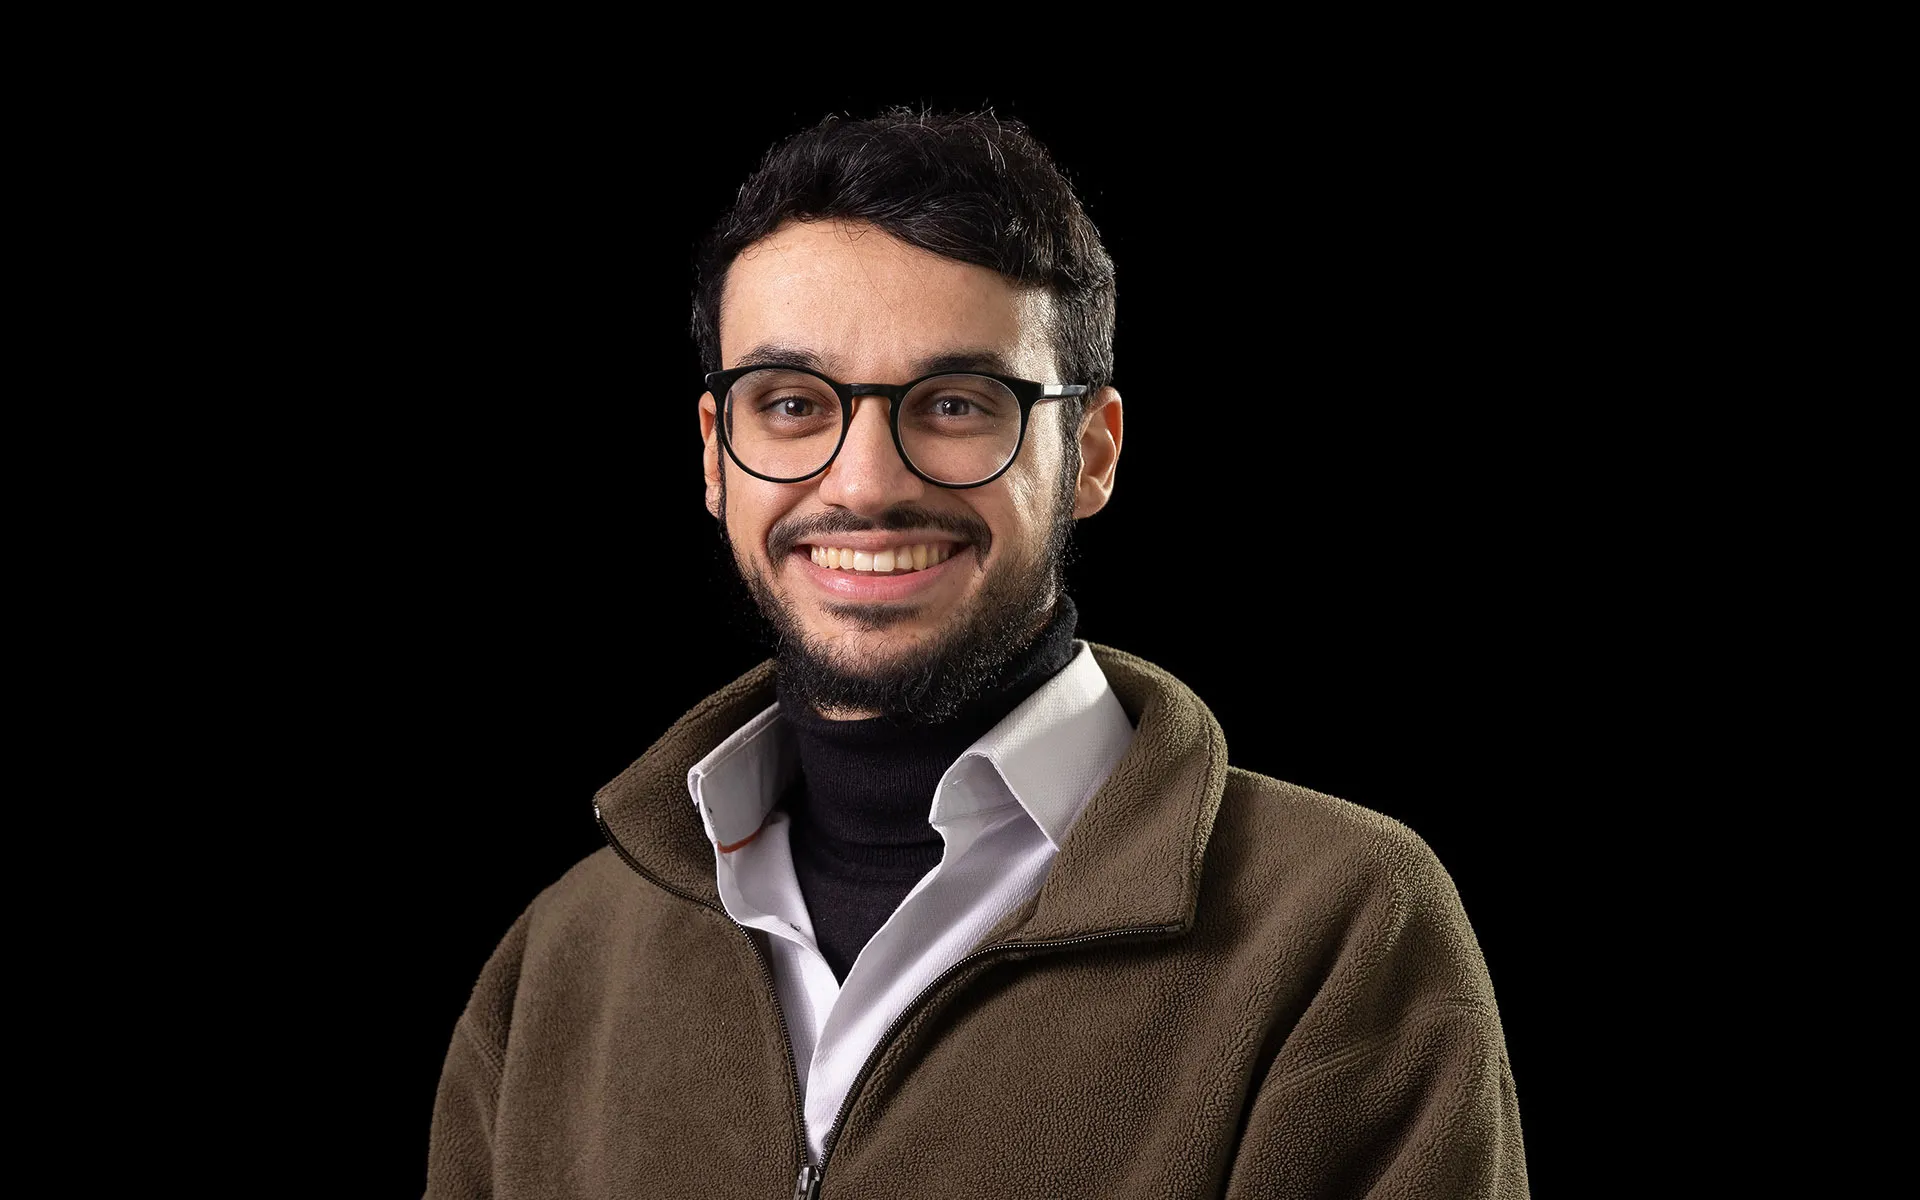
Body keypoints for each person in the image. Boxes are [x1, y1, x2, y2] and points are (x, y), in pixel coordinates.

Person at [426, 106, 1528, 1199]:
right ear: (717, 458)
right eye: (793, 404)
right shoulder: (559, 961)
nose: (865, 484)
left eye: (956, 404)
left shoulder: (1340, 926)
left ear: (1090, 453)